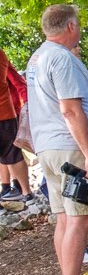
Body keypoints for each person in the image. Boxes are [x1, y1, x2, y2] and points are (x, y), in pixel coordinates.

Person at [24, 5, 88, 275]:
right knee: (80, 217)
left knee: (64, 218)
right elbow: (70, 109)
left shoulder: (38, 56)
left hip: (49, 146)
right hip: (69, 146)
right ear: (71, 26)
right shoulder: (61, 58)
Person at [1, 48, 33, 202]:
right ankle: (13, 189)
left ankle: (22, 190)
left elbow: (19, 82)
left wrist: (27, 104)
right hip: (6, 113)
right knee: (10, 154)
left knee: (11, 154)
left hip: (7, 112)